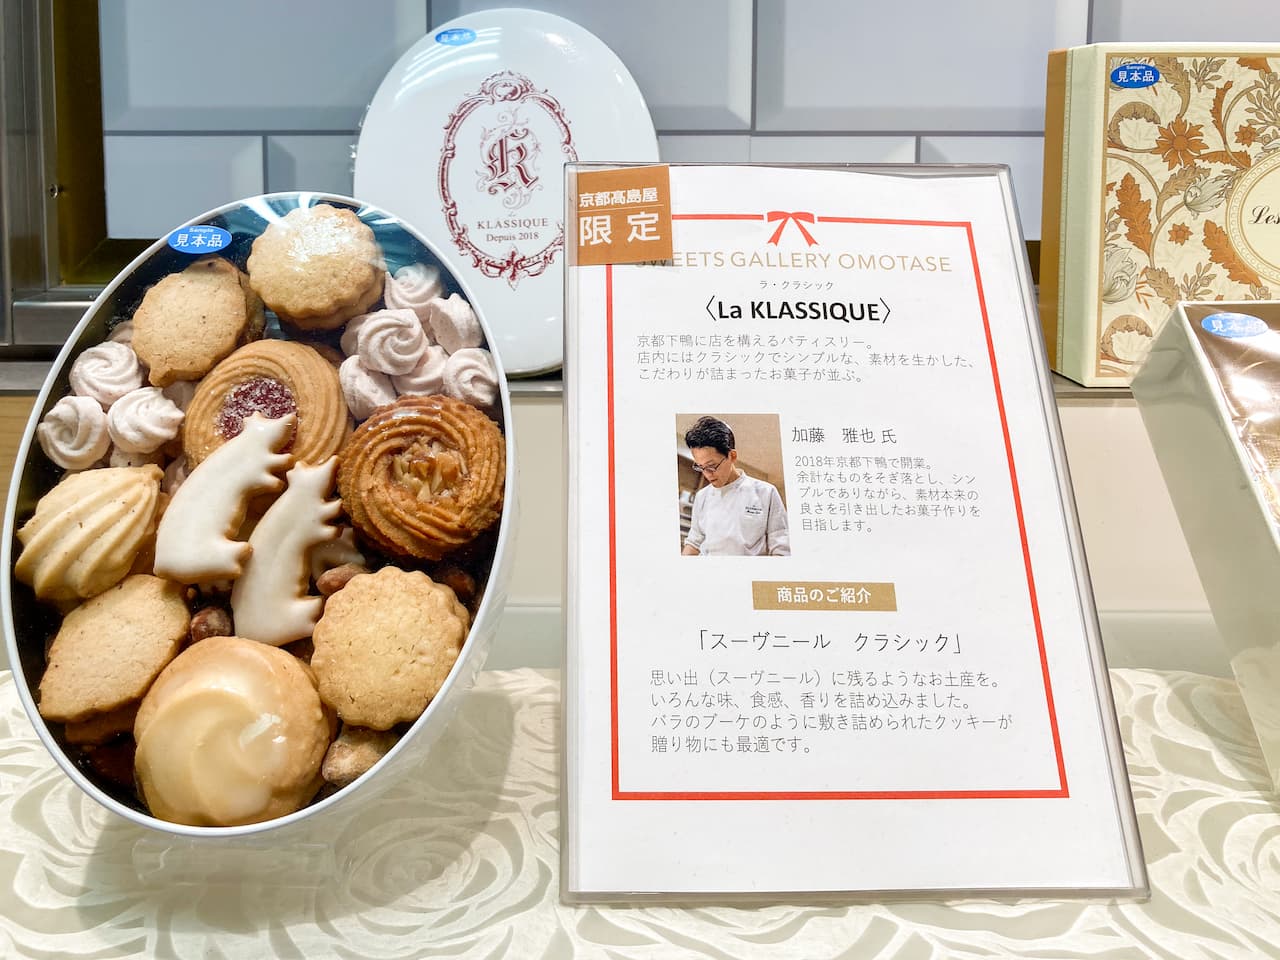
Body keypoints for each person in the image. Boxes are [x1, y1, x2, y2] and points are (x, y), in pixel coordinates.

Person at [681, 416, 790, 556]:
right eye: (700, 467)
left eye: (711, 466)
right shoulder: (702, 496)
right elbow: (694, 542)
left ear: (732, 456)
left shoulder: (766, 493)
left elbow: (781, 547)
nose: (706, 474)